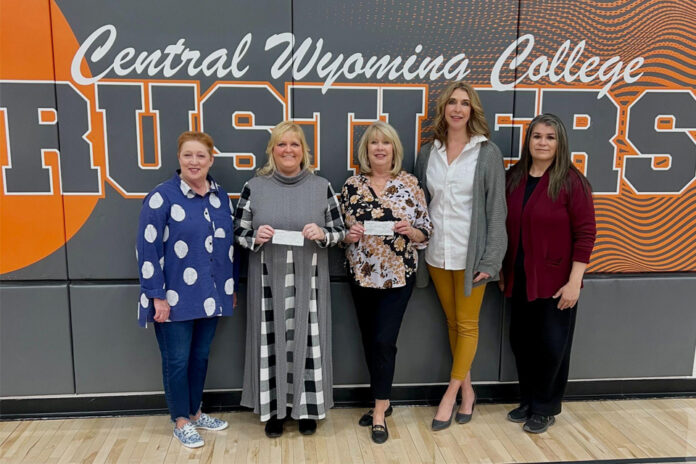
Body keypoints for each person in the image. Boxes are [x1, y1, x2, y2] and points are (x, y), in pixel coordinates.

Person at [234, 121, 346, 438]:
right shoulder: (254, 187)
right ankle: (275, 411)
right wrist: (255, 236)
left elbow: (340, 232)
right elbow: (237, 233)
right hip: (267, 279)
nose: (288, 150)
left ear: (303, 151)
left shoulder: (321, 186)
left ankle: (306, 409)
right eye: (281, 144)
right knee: (270, 342)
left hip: (309, 280)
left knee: (309, 343)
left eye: (294, 144)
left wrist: (323, 234)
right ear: (272, 150)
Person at [414, 81, 507, 431]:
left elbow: (497, 211)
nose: (457, 109)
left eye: (464, 103)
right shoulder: (428, 153)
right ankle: (469, 392)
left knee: (467, 324)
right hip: (438, 253)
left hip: (473, 258)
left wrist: (490, 261)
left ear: (473, 111)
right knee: (453, 323)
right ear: (443, 109)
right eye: (452, 102)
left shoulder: (487, 153)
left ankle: (450, 395)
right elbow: (421, 204)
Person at [136, 131, 237, 448]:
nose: (194, 161)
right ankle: (180, 420)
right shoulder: (161, 197)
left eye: (200, 155)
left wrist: (229, 285)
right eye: (187, 155)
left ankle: (195, 413)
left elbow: (227, 247)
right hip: (172, 297)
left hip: (211, 295)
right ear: (179, 158)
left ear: (211, 159)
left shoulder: (221, 197)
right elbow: (146, 248)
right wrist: (157, 296)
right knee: (177, 360)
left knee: (200, 357)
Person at [501, 113, 596, 434]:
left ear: (560, 143)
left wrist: (574, 282)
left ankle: (545, 406)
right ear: (528, 141)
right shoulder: (513, 177)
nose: (542, 142)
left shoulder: (572, 181)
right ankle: (528, 399)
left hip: (557, 282)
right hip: (518, 277)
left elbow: (586, 234)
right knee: (522, 342)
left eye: (550, 137)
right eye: (537, 136)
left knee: (552, 345)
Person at [341, 121, 432, 444]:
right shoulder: (352, 185)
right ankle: (384, 400)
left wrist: (412, 231)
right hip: (361, 274)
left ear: (395, 149)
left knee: (383, 341)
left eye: (386, 143)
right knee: (369, 340)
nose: (380, 148)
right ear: (365, 150)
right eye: (373, 143)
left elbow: (426, 231)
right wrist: (348, 236)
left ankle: (378, 412)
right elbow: (340, 232)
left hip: (398, 275)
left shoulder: (410, 183)